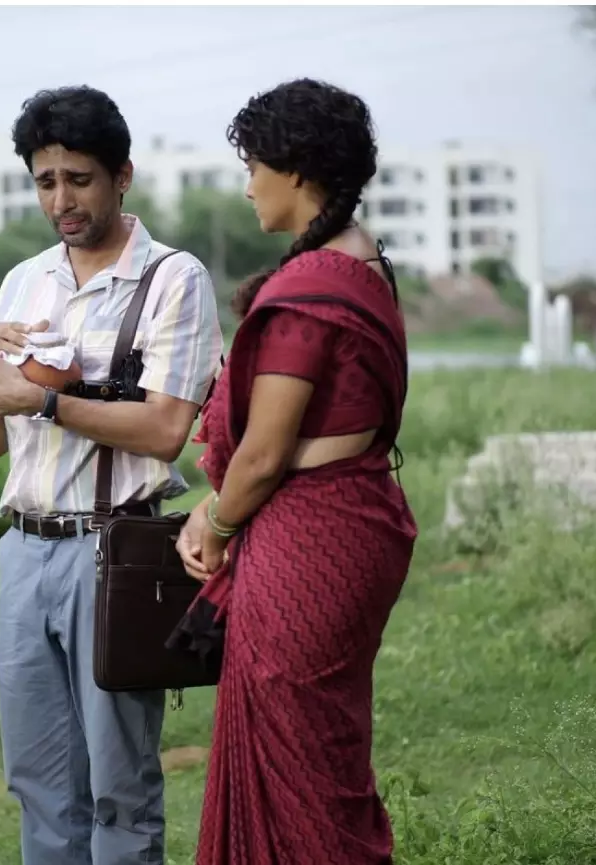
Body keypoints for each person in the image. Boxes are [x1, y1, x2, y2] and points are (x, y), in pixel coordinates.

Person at [0, 85, 224, 865]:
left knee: (119, 786)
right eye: (45, 181)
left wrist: (44, 400)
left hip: (114, 552)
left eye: (78, 179)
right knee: (38, 785)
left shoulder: (173, 280)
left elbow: (166, 427)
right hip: (24, 550)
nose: (62, 199)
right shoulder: (25, 280)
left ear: (122, 176)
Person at [169, 78, 419, 865]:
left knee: (303, 759)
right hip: (355, 519)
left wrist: (214, 519)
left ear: (298, 169)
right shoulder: (363, 257)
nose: (247, 185)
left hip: (311, 538)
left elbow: (267, 450)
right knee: (322, 746)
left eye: (255, 165)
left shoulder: (309, 291)